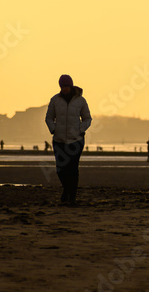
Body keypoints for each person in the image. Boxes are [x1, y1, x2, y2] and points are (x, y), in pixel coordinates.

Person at [45, 74, 92, 206]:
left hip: (76, 140)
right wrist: (53, 129)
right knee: (61, 169)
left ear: (71, 86)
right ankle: (66, 190)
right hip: (59, 140)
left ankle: (72, 197)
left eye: (66, 86)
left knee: (72, 169)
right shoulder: (55, 100)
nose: (64, 88)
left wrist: (81, 130)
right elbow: (49, 117)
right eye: (62, 86)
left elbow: (87, 118)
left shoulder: (81, 101)